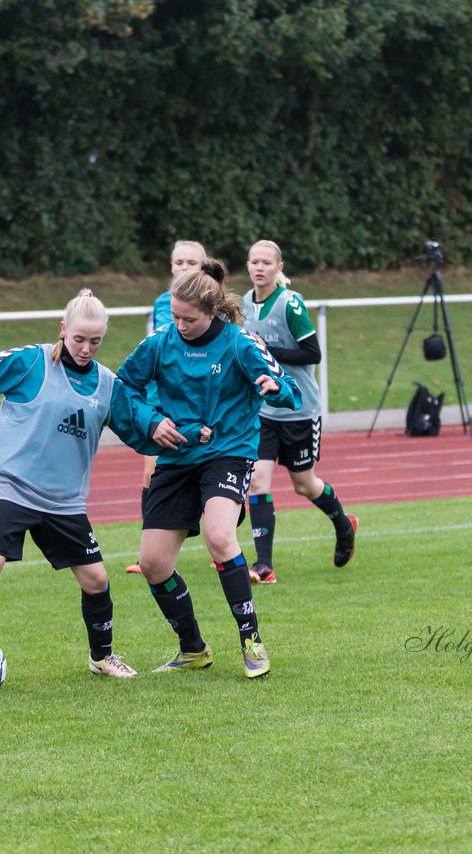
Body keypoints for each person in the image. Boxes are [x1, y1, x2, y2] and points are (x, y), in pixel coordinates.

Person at [0, 288, 207, 697]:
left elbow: (140, 424)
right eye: (78, 339)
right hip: (8, 486)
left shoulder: (106, 384)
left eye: (95, 341)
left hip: (63, 501)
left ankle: (102, 658)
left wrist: (177, 432)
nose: (85, 348)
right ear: (63, 329)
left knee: (97, 580)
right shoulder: (30, 362)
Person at [117, 259, 301, 678]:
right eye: (175, 316)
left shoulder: (240, 344)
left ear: (213, 311)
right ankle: (193, 648)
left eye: (189, 319)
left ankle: (251, 640)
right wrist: (151, 422)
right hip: (178, 456)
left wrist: (275, 389)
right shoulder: (160, 341)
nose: (180, 325)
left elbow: (286, 388)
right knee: (152, 564)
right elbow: (124, 386)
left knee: (220, 535)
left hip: (228, 452)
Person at [241, 239, 358, 584]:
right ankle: (265, 566)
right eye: (254, 262)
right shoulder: (245, 304)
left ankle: (343, 524)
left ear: (280, 268)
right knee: (258, 481)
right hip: (264, 411)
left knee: (304, 485)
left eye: (266, 262)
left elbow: (312, 353)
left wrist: (268, 350)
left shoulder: (290, 303)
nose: (259, 268)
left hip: (299, 410)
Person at [126, 239, 208, 575]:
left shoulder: (213, 307)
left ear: (203, 268)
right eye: (179, 262)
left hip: (201, 408)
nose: (184, 268)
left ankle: (223, 546)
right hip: (160, 405)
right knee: (150, 472)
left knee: (209, 473)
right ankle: (149, 551)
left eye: (191, 262)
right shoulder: (162, 303)